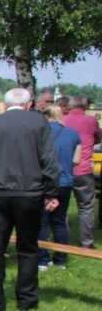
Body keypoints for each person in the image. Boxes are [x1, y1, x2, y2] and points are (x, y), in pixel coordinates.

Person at [0, 88, 60, 311]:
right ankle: (27, 300)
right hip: (30, 193)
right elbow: (49, 161)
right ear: (29, 104)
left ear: (5, 104)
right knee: (28, 248)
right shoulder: (39, 123)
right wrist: (51, 192)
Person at [38, 105, 82, 270]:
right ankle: (60, 259)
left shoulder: (40, 133)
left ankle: (42, 259)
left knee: (42, 221)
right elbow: (76, 160)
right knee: (59, 221)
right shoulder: (73, 134)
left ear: (46, 116)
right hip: (65, 181)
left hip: (44, 182)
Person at [63, 96, 101, 249]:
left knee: (62, 208)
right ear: (85, 106)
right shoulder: (91, 121)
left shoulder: (63, 119)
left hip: (64, 168)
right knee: (86, 207)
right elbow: (98, 138)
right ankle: (87, 242)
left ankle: (62, 240)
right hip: (84, 169)